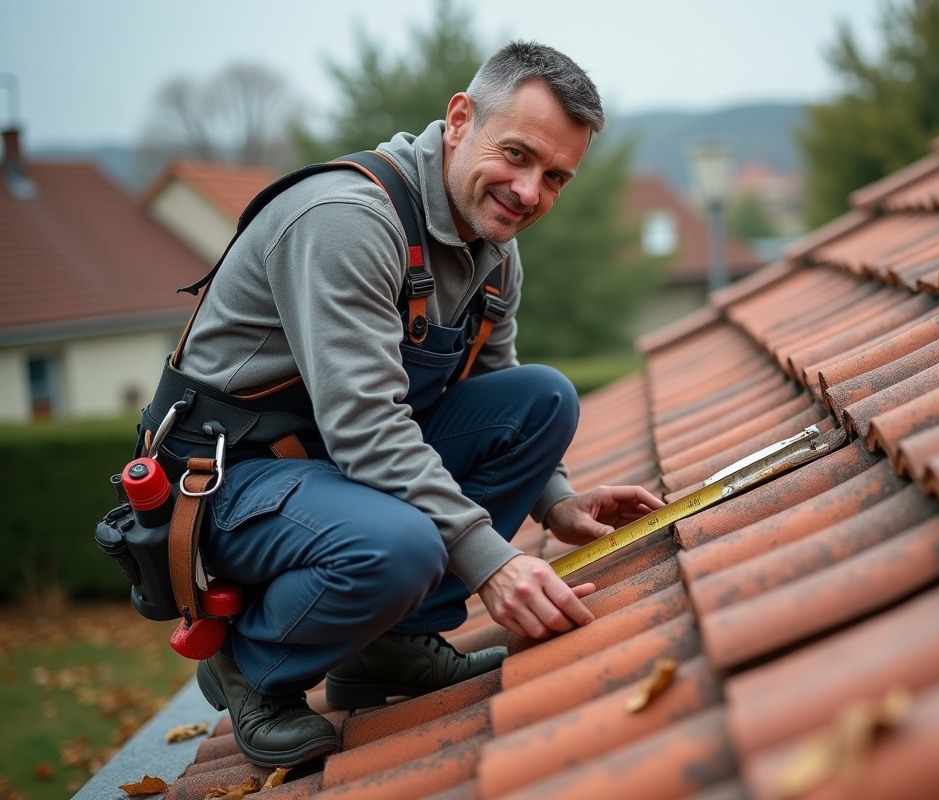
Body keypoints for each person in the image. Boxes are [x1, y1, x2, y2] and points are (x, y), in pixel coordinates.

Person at [148, 41, 663, 767]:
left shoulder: (492, 249)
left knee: (543, 400)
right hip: (231, 483)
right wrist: (494, 563)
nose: (528, 191)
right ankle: (251, 665)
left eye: (555, 177)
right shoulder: (347, 221)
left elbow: (492, 383)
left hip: (335, 476)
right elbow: (366, 428)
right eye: (516, 154)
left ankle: (388, 648)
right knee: (402, 543)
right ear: (459, 119)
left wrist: (557, 502)